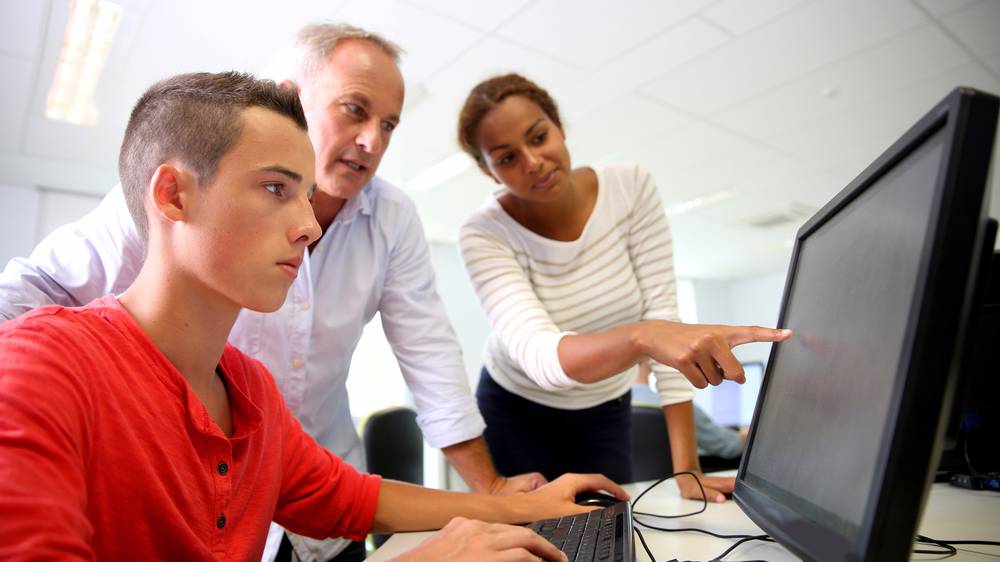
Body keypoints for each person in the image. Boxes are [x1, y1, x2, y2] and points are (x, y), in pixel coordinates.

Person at [0, 71, 625, 562]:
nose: (306, 226)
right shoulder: (40, 368)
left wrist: (522, 506)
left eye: (304, 194)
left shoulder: (249, 394)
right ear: (173, 195)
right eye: (276, 188)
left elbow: (352, 495)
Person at [455, 73, 791, 503]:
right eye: (506, 158)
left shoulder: (629, 189)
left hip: (605, 407)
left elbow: (664, 322)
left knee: (610, 526)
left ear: (558, 126)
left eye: (539, 137)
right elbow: (542, 357)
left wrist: (687, 470)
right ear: (488, 170)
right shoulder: (484, 232)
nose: (532, 161)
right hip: (517, 408)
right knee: (530, 537)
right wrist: (644, 336)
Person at [631, 362, 746, 459]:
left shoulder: (615, 409)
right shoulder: (676, 406)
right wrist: (751, 435)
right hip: (671, 484)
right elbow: (727, 445)